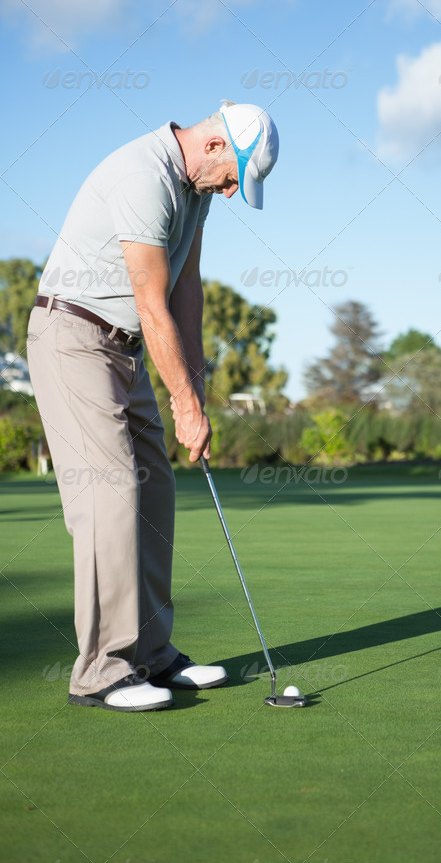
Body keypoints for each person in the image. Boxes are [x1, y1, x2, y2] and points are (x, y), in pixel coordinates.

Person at [27, 101, 279, 712]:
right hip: (74, 338)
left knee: (154, 486)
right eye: (229, 179)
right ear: (216, 146)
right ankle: (101, 672)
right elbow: (149, 297)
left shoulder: (194, 193)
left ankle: (152, 655)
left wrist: (195, 387)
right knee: (110, 492)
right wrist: (184, 406)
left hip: (128, 348)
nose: (227, 192)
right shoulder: (144, 175)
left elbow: (185, 293)